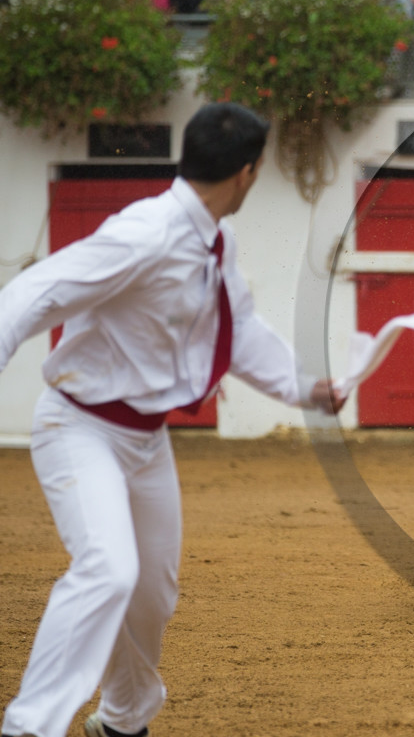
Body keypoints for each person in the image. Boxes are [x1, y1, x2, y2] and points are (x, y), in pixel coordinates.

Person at [0, 102, 346, 737]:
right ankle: (29, 727)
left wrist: (307, 388)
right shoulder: (146, 232)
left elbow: (236, 329)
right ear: (247, 173)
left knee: (151, 595)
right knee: (108, 568)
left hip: (143, 439)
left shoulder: (217, 237)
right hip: (78, 426)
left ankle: (124, 719)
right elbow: (34, 292)